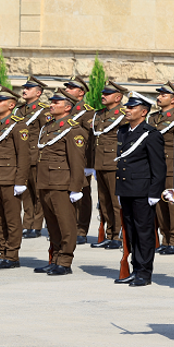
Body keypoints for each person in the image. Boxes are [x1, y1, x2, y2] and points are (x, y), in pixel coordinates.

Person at [114, 93, 166, 286]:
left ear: (143, 112)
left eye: (132, 107)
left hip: (143, 191)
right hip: (126, 189)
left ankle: (144, 273)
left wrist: (155, 192)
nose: (127, 110)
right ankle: (135, 269)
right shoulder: (122, 131)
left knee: (144, 232)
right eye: (127, 107)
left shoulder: (151, 135)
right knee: (130, 231)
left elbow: (159, 167)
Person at [33, 89, 87, 276]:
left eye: (56, 102)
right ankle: (54, 259)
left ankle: (65, 261)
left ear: (67, 107)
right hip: (45, 182)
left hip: (62, 184)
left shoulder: (73, 130)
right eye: (52, 101)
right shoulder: (48, 127)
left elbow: (77, 161)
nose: (52, 104)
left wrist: (76, 188)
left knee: (66, 225)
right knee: (52, 225)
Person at [0, 87, 30, 269]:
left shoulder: (19, 126)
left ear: (11, 105)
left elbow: (23, 156)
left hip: (10, 179)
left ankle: (12, 255)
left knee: (11, 219)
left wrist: (20, 181)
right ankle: (3, 253)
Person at [90, 81, 128, 249]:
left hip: (114, 163)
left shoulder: (123, 115)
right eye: (103, 93)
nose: (103, 96)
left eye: (107, 94)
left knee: (115, 202)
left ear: (118, 97)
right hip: (99, 162)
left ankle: (118, 236)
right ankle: (110, 234)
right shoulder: (99, 114)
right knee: (104, 201)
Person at [150, 82, 174, 255]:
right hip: (155, 169)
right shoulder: (153, 119)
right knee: (159, 205)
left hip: (172, 169)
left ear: (173, 100)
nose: (158, 98)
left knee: (173, 206)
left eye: (163, 95)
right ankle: (165, 239)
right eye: (159, 95)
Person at [16, 75, 50, 239]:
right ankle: (26, 224)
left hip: (36, 157)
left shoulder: (43, 111)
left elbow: (47, 134)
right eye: (24, 88)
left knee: (37, 193)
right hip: (21, 158)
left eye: (28, 89)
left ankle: (36, 226)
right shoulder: (19, 111)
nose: (24, 90)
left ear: (38, 93)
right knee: (25, 193)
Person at [64, 76, 95, 244]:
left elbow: (90, 140)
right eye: (67, 87)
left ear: (81, 92)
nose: (67, 90)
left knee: (82, 194)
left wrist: (89, 163)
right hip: (63, 160)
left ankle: (81, 229)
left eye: (71, 87)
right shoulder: (64, 109)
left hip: (80, 160)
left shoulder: (87, 112)